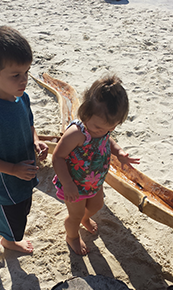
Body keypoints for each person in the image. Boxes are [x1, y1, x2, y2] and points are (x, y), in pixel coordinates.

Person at [0, 26, 48, 257]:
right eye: (16, 75)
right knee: (10, 220)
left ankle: (9, 238)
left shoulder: (21, 98)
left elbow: (30, 124)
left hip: (23, 175)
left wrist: (36, 140)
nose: (24, 80)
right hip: (2, 185)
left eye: (26, 72)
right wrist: (13, 169)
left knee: (21, 214)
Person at [52, 75, 140, 256]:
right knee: (74, 216)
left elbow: (108, 140)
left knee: (97, 205)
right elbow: (58, 157)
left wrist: (119, 152)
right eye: (98, 127)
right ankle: (72, 236)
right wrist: (67, 184)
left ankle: (85, 217)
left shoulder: (103, 129)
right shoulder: (77, 133)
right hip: (74, 185)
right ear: (85, 113)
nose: (102, 131)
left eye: (110, 127)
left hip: (94, 181)